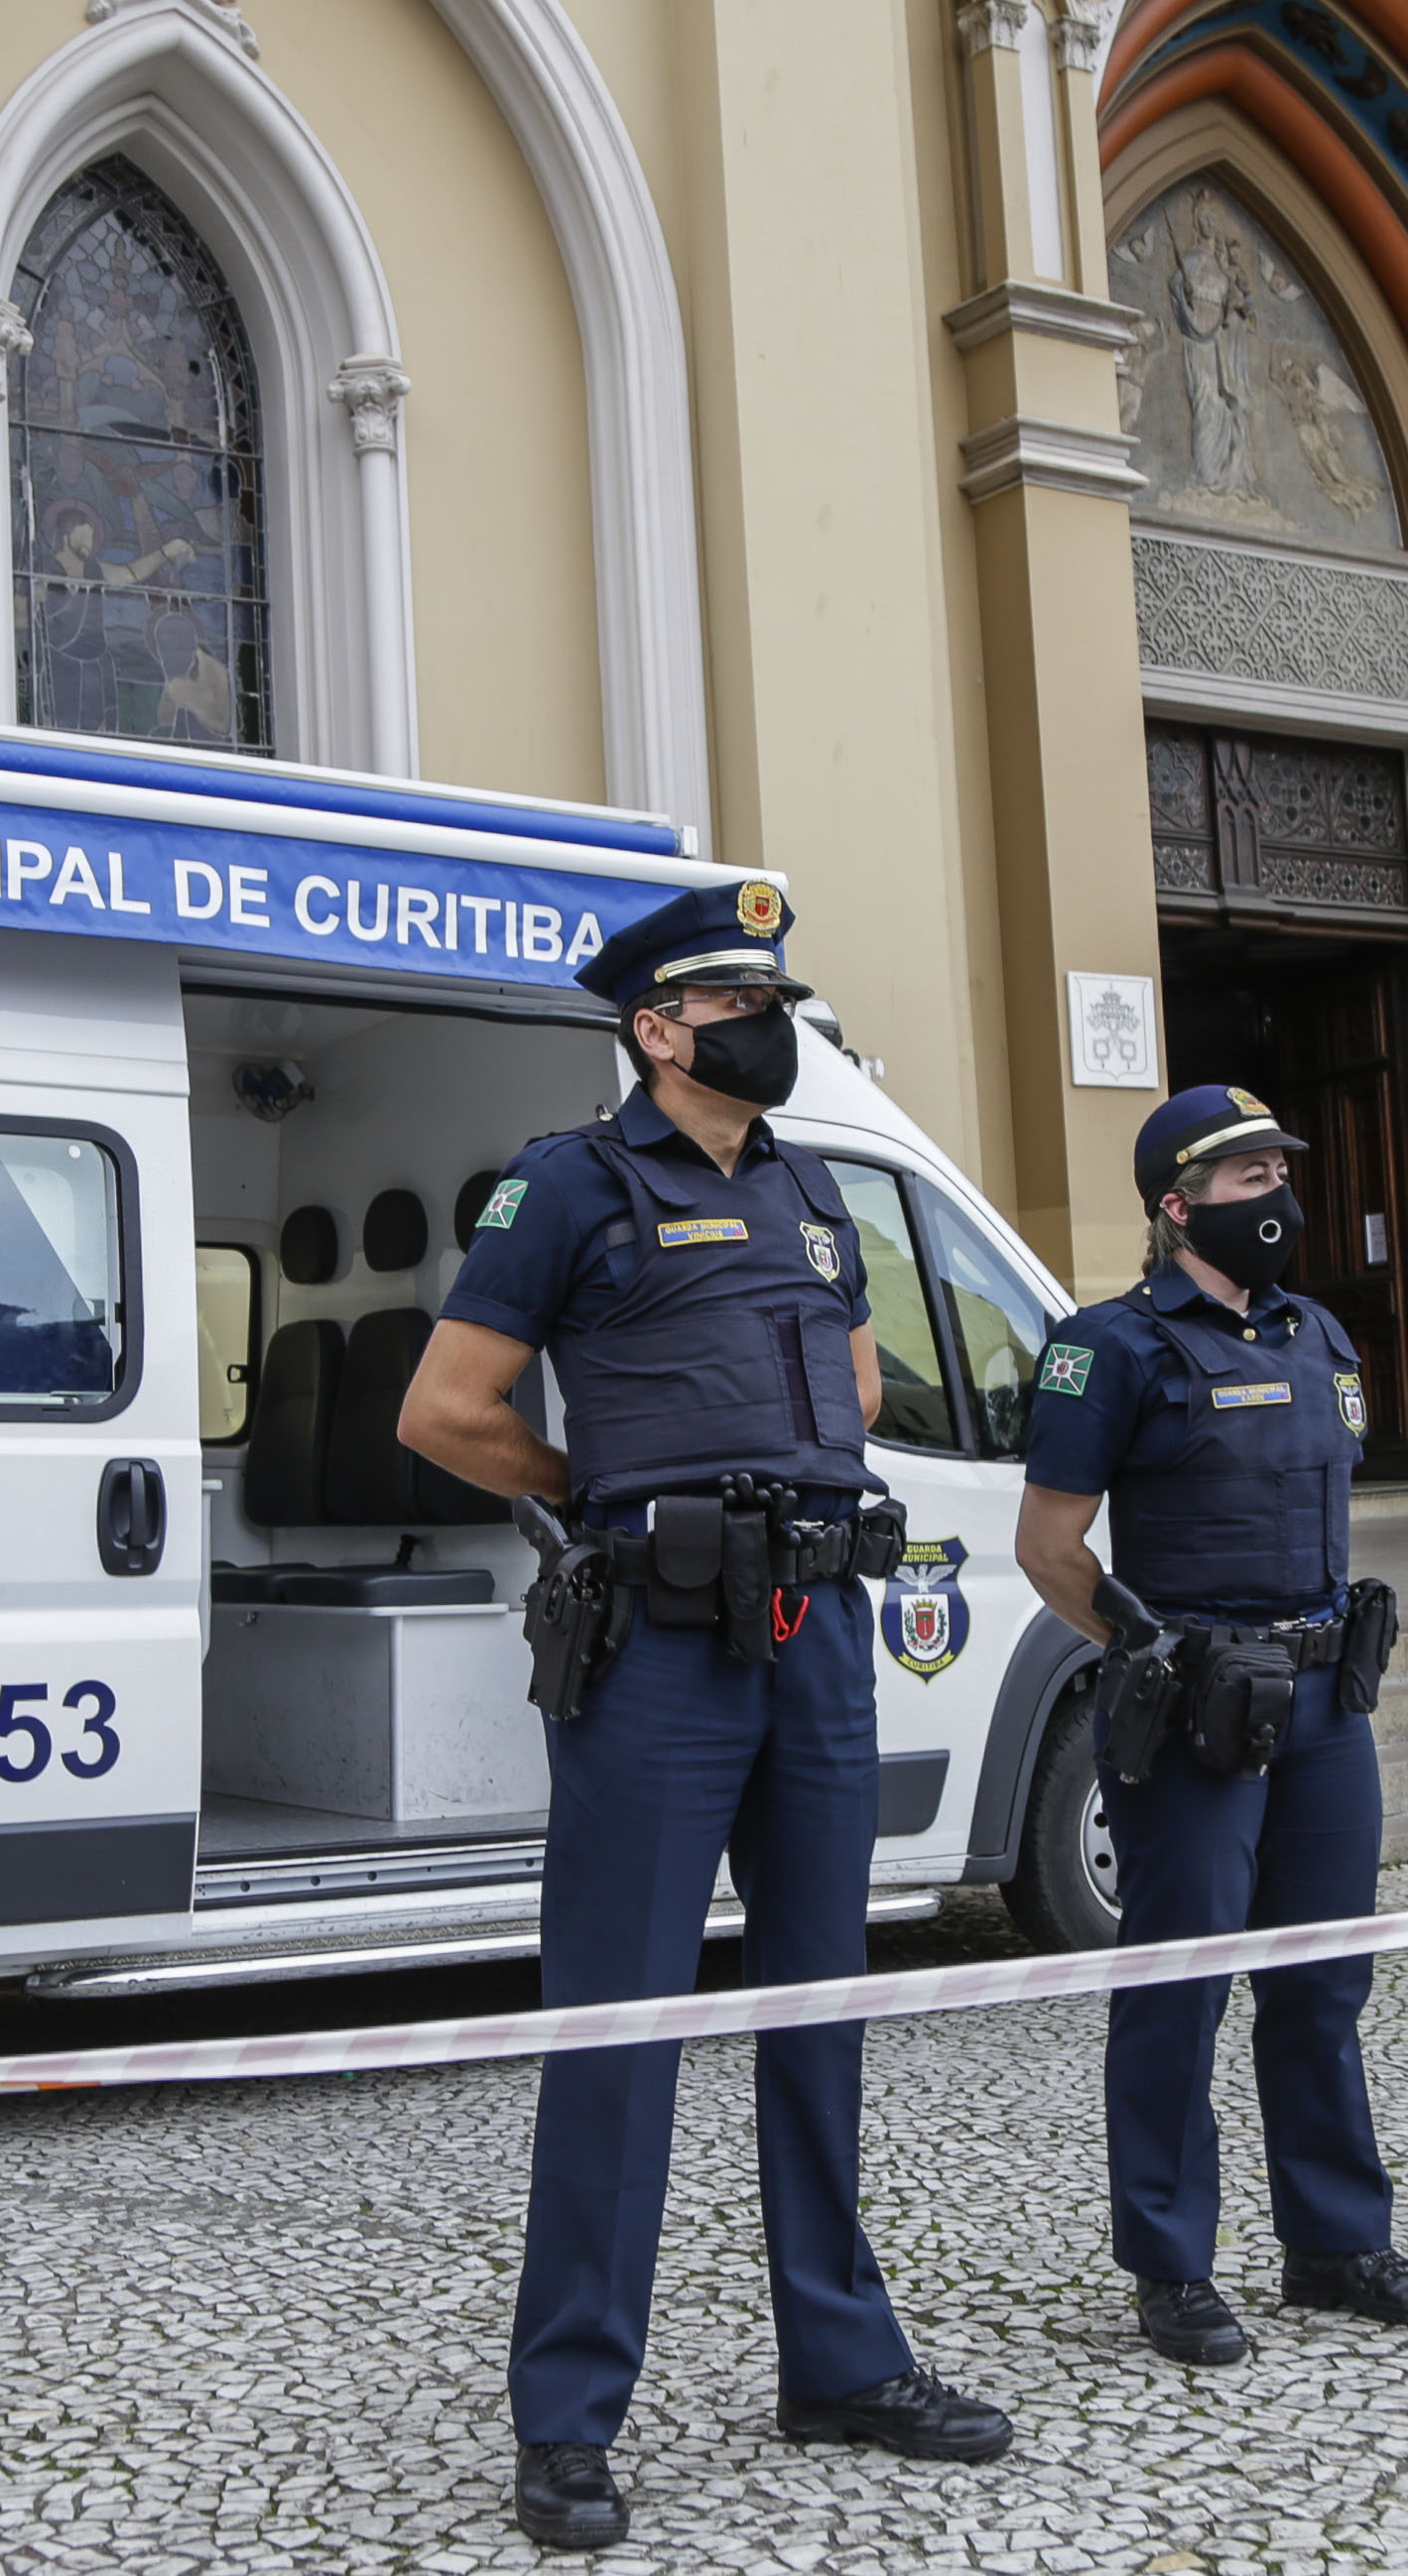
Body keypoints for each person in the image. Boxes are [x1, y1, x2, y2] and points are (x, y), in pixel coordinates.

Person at [401, 880, 1012, 2552]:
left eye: (778, 995)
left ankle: (843, 2362)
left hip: (817, 1628)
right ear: (659, 1030)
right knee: (620, 2026)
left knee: (822, 2007)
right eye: (739, 999)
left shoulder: (813, 1188)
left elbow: (867, 1382)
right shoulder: (573, 1182)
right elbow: (446, 1410)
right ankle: (570, 2418)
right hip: (658, 1642)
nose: (774, 1019)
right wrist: (602, 1493)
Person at [1009, 1083, 1408, 2368]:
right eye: (1247, 1177)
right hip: (1200, 1709)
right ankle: (1171, 2263)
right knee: (1179, 1988)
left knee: (1322, 1981)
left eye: (1282, 1168)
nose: (1279, 1194)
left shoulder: (1321, 1334)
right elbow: (1048, 1550)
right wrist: (1150, 1653)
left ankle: (1334, 2244)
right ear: (1176, 1204)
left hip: (1324, 1700)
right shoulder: (1112, 1348)